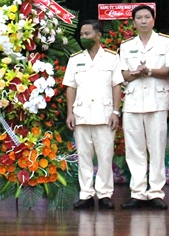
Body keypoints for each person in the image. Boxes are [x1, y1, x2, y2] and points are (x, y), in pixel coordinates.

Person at [118, 5, 169, 210]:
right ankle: (138, 193)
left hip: (157, 100)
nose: (143, 21)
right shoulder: (126, 45)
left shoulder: (166, 42)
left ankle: (156, 193)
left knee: (157, 147)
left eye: (146, 17)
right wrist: (135, 73)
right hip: (133, 102)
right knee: (134, 149)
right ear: (133, 23)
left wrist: (149, 71)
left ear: (153, 20)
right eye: (139, 18)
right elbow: (122, 74)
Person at [65, 20, 123, 210]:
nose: (83, 38)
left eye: (87, 34)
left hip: (104, 114)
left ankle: (105, 194)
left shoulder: (112, 58)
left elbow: (116, 85)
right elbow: (70, 87)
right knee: (83, 157)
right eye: (81, 35)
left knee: (105, 157)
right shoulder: (75, 59)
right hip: (81, 115)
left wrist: (116, 111)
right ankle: (86, 194)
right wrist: (70, 113)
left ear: (98, 35)